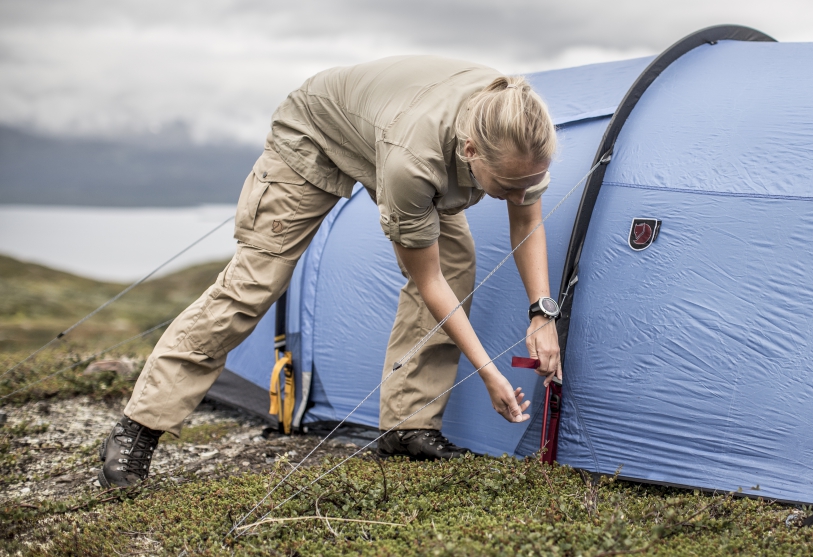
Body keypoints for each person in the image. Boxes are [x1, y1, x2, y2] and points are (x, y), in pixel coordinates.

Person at [98, 55, 563, 488]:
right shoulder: (414, 163)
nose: (517, 193)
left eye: (530, 182)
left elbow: (527, 218)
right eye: (506, 185)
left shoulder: (517, 129)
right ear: (470, 151)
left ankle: (408, 426)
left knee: (457, 260)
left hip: (392, 133)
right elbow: (429, 281)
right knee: (253, 285)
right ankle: (140, 427)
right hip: (313, 134)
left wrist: (542, 313)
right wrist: (489, 374)